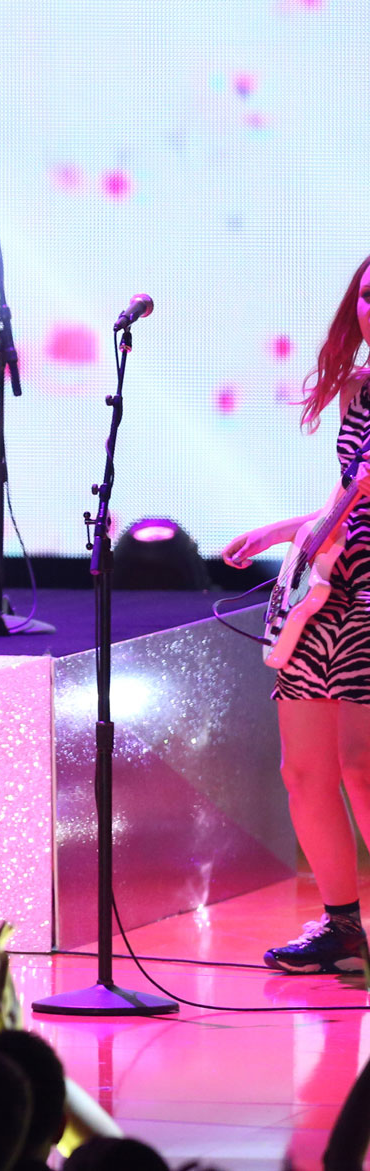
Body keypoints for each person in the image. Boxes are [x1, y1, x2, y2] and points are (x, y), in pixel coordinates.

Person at [224, 255, 370, 975]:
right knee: (305, 768)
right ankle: (343, 926)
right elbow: (349, 492)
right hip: (334, 587)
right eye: (368, 296)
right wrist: (285, 530)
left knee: (363, 764)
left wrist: (321, 525)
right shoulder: (358, 392)